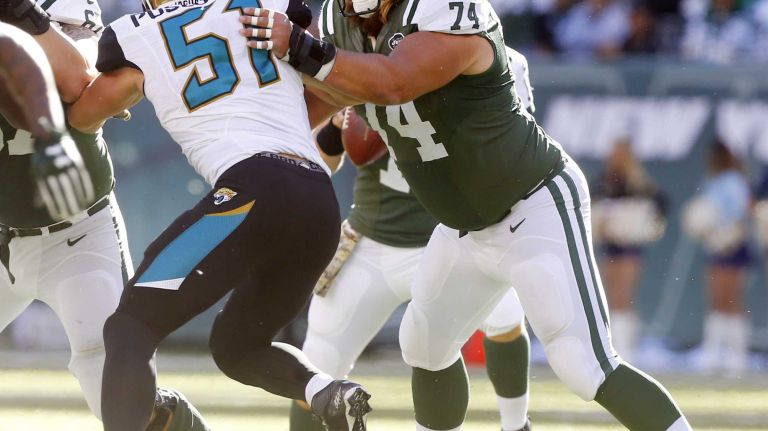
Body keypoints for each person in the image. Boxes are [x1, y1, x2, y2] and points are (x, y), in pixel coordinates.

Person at [240, 0, 692, 429]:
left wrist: (300, 47)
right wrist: (252, 105)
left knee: (584, 365)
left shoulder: (446, 9)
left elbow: (395, 82)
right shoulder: (341, 22)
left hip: (532, 205)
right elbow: (321, 104)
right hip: (463, 227)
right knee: (425, 346)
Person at [66, 0, 372, 429]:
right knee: (239, 348)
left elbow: (82, 117)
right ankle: (326, 392)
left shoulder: (136, 34)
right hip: (317, 199)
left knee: (130, 327)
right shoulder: (263, 5)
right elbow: (330, 86)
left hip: (251, 190)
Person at [291, 46, 535, 431]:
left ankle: (516, 425)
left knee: (503, 317)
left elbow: (514, 154)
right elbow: (322, 163)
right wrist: (338, 130)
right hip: (373, 241)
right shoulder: (361, 58)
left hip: (455, 239)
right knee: (317, 366)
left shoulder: (497, 60)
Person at [0, 0, 211, 428]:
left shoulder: (64, 21)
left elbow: (78, 79)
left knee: (122, 400)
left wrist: (21, 15)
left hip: (77, 238)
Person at [591, 140, 666, 362]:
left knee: (624, 296)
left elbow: (660, 205)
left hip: (629, 248)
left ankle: (626, 349)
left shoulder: (638, 181)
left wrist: (636, 222)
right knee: (610, 296)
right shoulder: (604, 179)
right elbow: (592, 203)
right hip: (610, 246)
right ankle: (611, 346)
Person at [682, 141, 751, 376]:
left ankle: (737, 357)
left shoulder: (734, 181)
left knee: (731, 299)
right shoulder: (713, 182)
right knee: (717, 299)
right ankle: (713, 353)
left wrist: (724, 231)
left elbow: (739, 213)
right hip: (716, 246)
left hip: (732, 246)